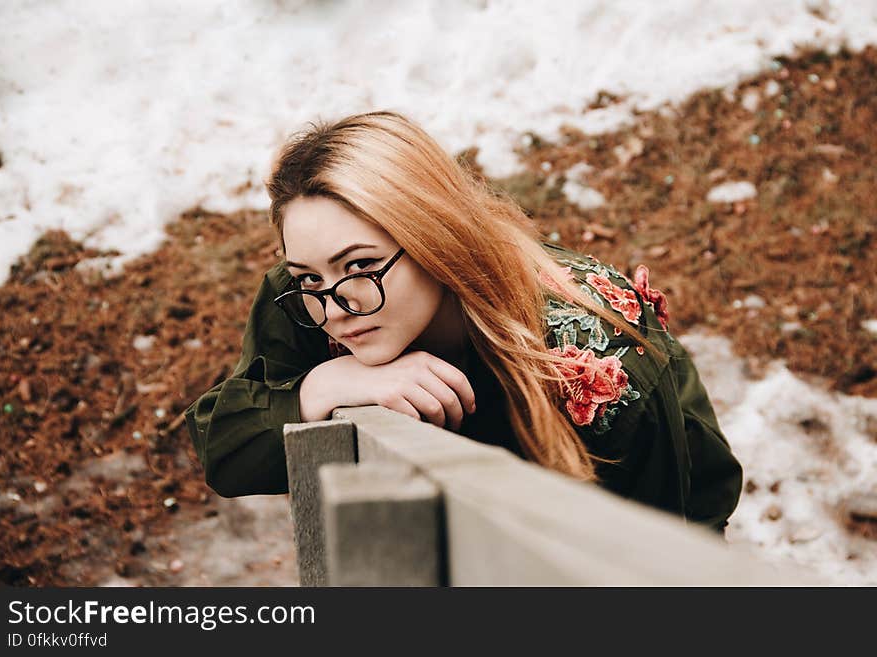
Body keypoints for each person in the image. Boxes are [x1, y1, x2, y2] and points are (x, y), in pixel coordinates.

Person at [184, 110, 743, 535]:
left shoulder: (595, 360)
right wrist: (324, 386)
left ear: (435, 239)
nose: (334, 309)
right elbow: (224, 448)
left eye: (361, 265)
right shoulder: (308, 297)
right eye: (308, 276)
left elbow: (670, 543)